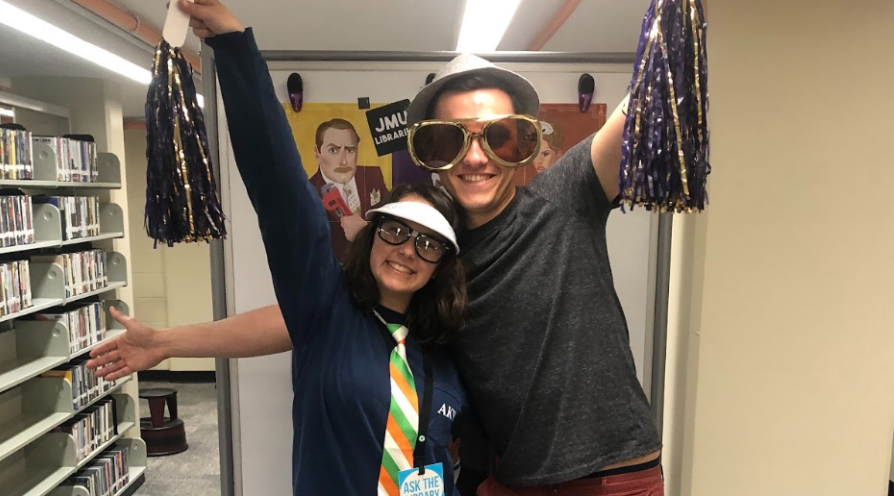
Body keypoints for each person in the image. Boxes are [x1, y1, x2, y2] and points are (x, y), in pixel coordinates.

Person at [97, 1, 665, 495]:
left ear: (522, 143)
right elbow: (290, 246)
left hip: (604, 478)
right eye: (395, 232)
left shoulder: (560, 200)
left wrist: (679, 20)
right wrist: (169, 341)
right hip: (507, 485)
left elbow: (652, 101)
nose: (475, 156)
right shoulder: (393, 291)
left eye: (498, 135)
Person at [87, 3, 468, 494]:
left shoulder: (446, 346)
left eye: (429, 243)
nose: (407, 250)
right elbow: (283, 191)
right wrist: (233, 47)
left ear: (441, 264)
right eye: (396, 230)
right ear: (373, 235)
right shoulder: (326, 309)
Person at [309, 118, 390, 261]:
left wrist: (365, 233)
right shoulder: (307, 193)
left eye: (350, 150)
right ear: (317, 153)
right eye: (333, 150)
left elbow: (391, 223)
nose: (344, 161)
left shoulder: (373, 175)